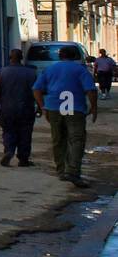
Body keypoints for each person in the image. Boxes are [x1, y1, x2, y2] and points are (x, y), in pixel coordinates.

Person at [33, 45, 99, 188]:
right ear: (75, 56)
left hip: (54, 108)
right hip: (74, 108)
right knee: (76, 139)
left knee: (58, 139)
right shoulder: (80, 70)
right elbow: (90, 90)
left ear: (60, 56)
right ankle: (73, 171)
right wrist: (94, 107)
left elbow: (37, 88)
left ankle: (61, 170)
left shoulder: (50, 69)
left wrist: (42, 106)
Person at [0, 49, 39, 167]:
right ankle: (23, 159)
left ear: (9, 58)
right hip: (26, 108)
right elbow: (37, 91)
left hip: (7, 108)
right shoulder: (31, 73)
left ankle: (9, 150)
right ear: (22, 57)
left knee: (8, 131)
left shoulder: (2, 72)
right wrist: (39, 106)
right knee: (25, 133)